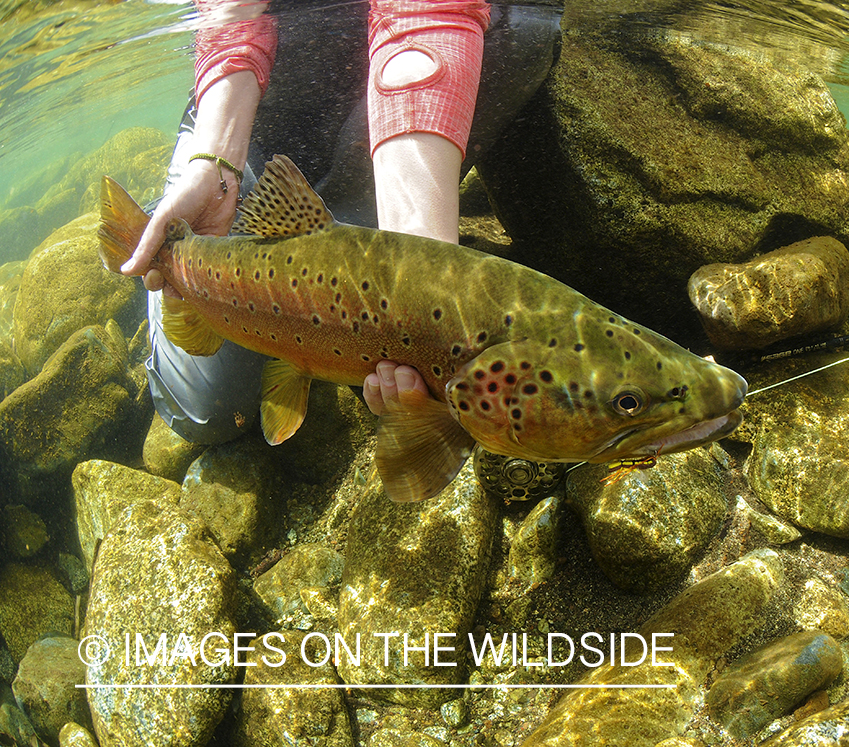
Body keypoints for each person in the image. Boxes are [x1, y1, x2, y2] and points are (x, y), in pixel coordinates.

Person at [121, 0, 559, 444]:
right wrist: (214, 163)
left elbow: (425, 14)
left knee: (529, 25)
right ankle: (186, 230)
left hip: (411, 74)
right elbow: (234, 21)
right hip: (257, 100)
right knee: (207, 412)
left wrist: (420, 265)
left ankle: (350, 214)